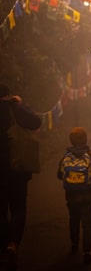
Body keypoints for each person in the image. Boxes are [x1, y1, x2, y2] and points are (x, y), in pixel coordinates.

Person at [0, 84, 41, 269]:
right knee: (18, 207)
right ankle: (12, 245)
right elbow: (35, 122)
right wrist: (21, 104)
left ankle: (3, 247)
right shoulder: (14, 108)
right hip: (16, 166)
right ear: (7, 95)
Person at [57, 127, 91, 265]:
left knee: (74, 220)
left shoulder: (66, 156)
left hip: (71, 196)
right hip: (89, 196)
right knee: (88, 224)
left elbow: (59, 175)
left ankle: (74, 244)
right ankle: (87, 251)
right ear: (85, 139)